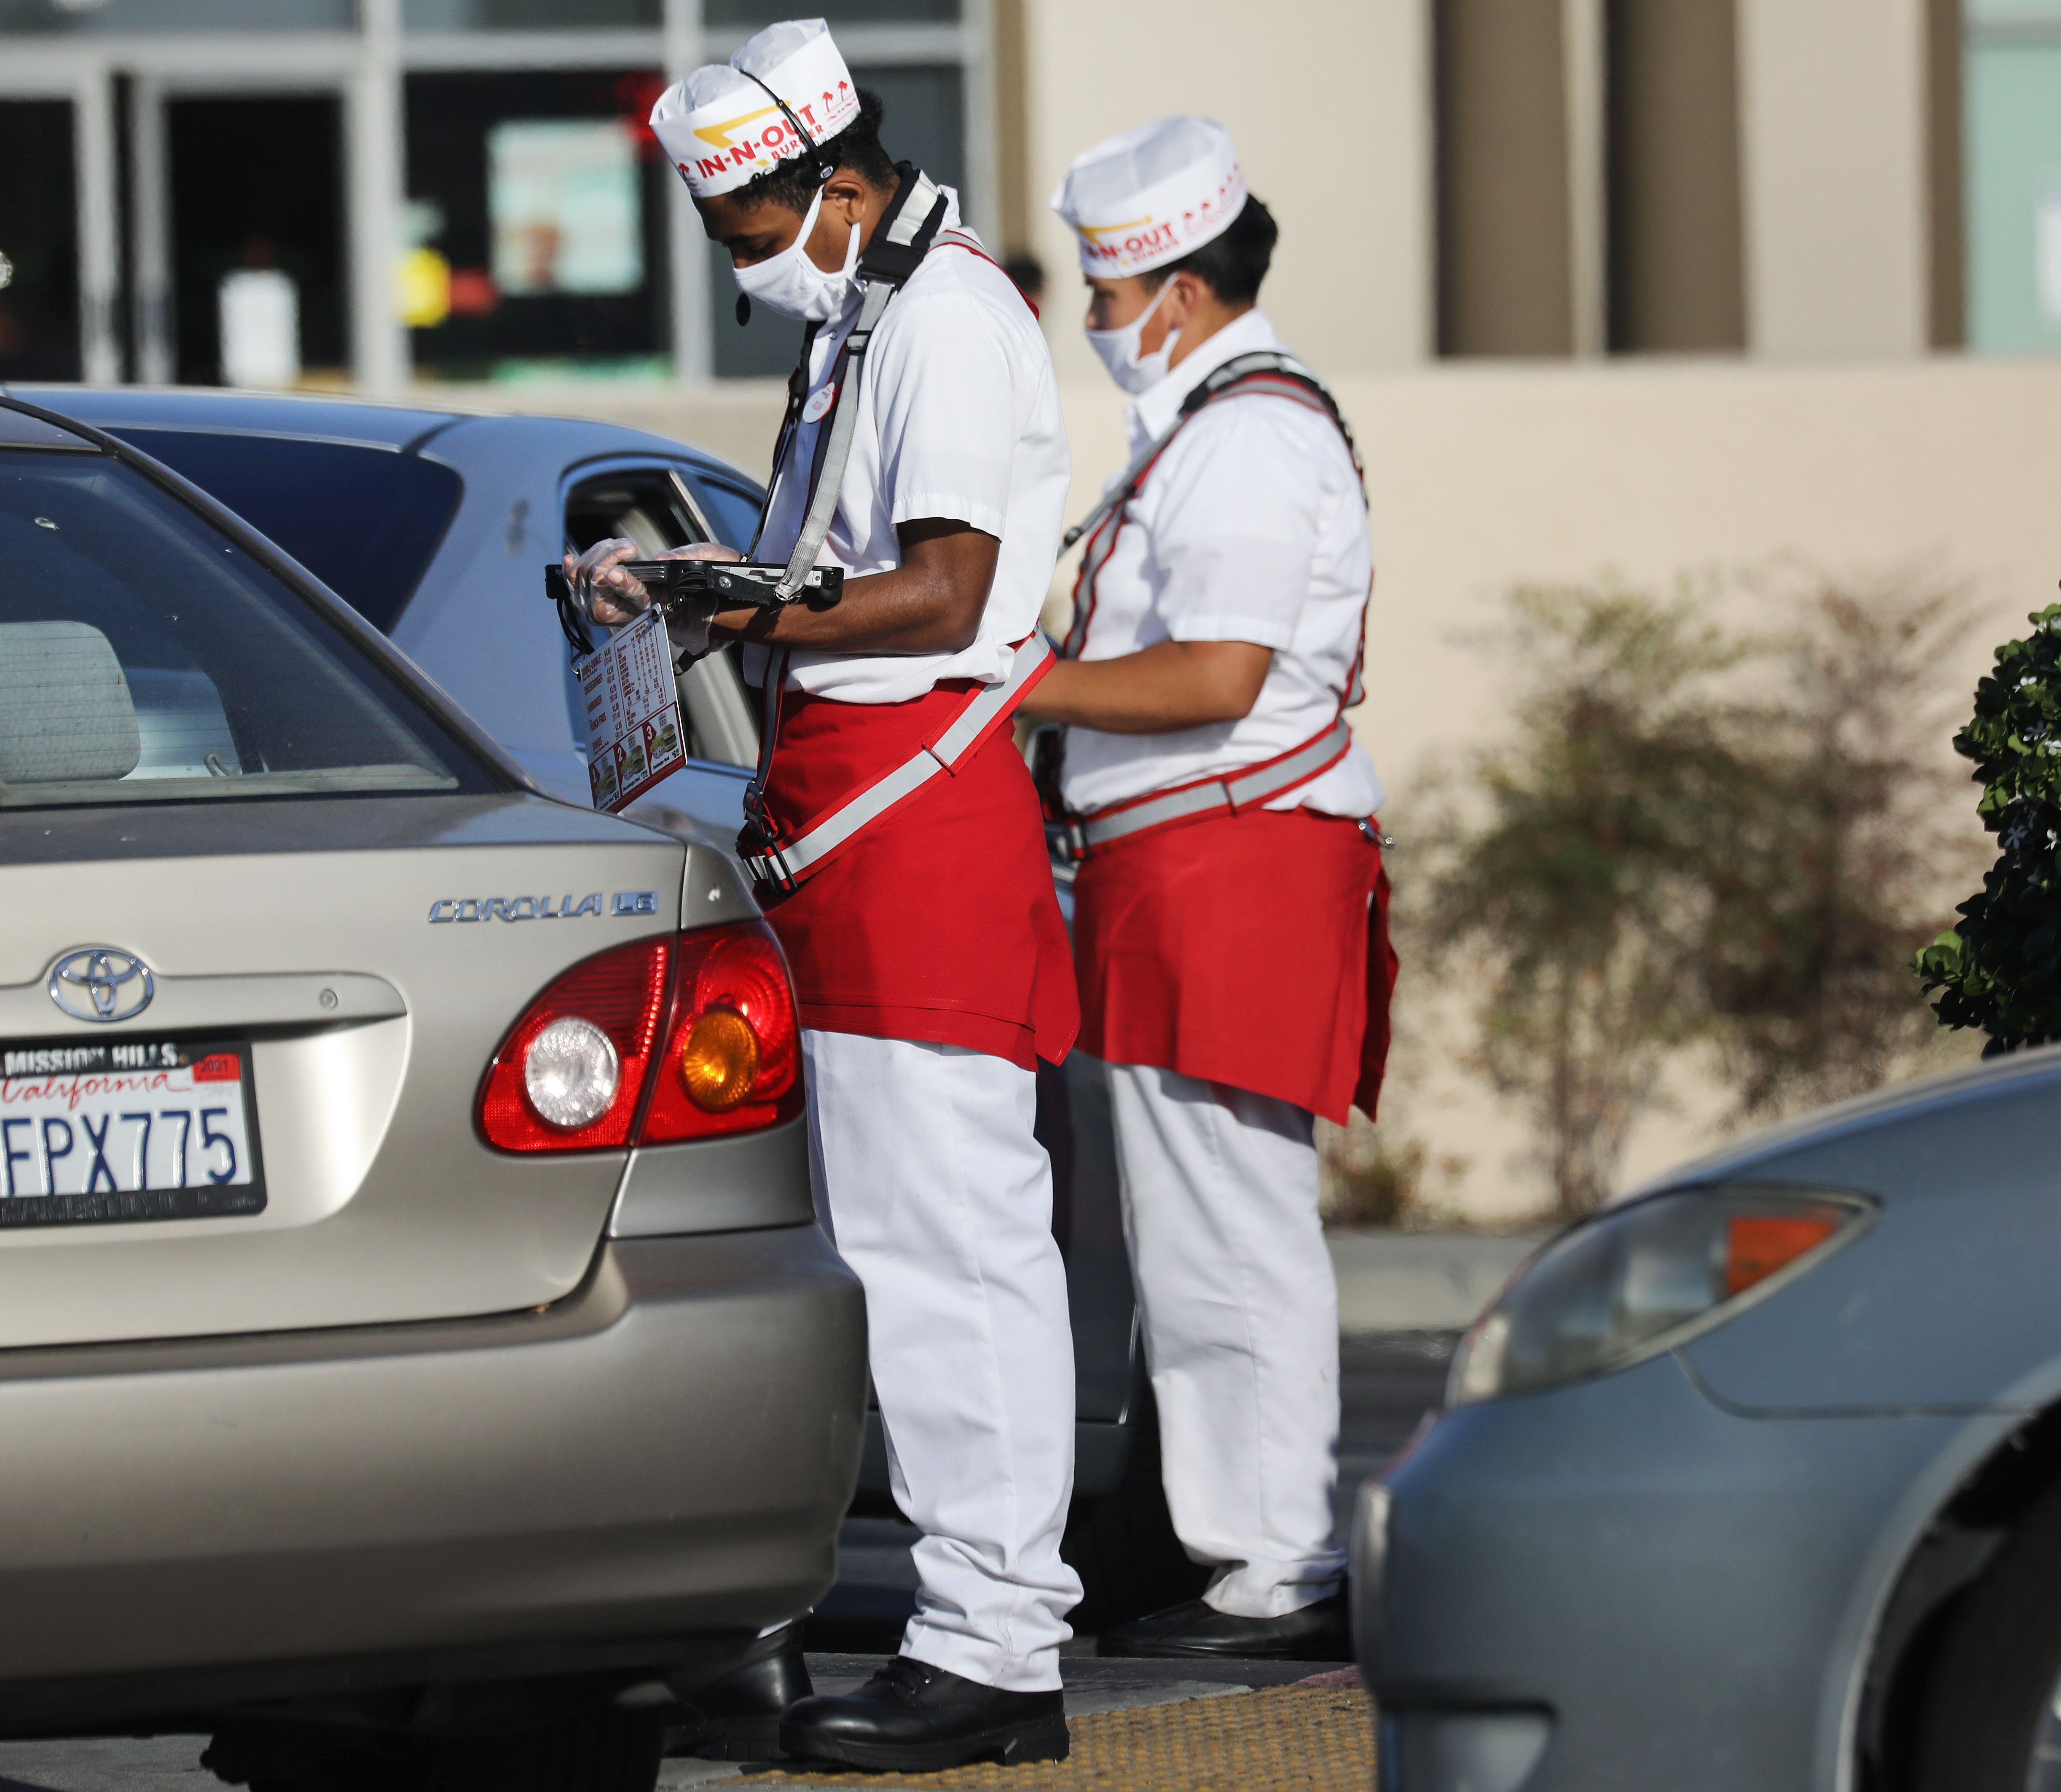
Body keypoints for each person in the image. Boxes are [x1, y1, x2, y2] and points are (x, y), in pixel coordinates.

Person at [569, 17, 1080, 1772]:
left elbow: (938, 595)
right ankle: (974, 1625)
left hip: (912, 826)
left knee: (953, 1253)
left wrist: (733, 612)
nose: (743, 270)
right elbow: (842, 573)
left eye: (749, 232)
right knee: (904, 1246)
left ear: (839, 184)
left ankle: (995, 1642)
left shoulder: (948, 320)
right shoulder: (882, 308)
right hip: (853, 821)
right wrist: (707, 581)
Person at [1019, 115, 1394, 1661]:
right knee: (1200, 1231)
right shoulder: (1211, 419)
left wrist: (1020, 690)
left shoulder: (1245, 434)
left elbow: (1217, 672)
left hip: (1230, 858)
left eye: (1108, 300)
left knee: (1230, 1231)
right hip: (1195, 865)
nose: (1097, 327)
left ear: (1174, 288)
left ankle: (1280, 1566)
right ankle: (1244, 1548)